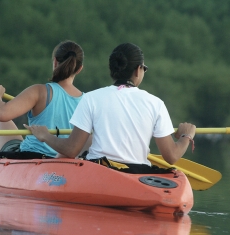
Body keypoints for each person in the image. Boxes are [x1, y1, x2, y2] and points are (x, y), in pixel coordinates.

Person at [24, 43, 196, 167]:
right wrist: (186, 136)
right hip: (138, 173)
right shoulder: (156, 104)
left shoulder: (91, 98)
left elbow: (71, 149)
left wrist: (45, 135)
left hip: (100, 171)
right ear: (138, 70)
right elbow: (172, 157)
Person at [0, 40, 85, 158]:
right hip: (63, 160)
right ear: (79, 69)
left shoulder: (40, 91)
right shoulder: (87, 100)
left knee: (2, 123)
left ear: (55, 62)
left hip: (31, 156)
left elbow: (0, 114)